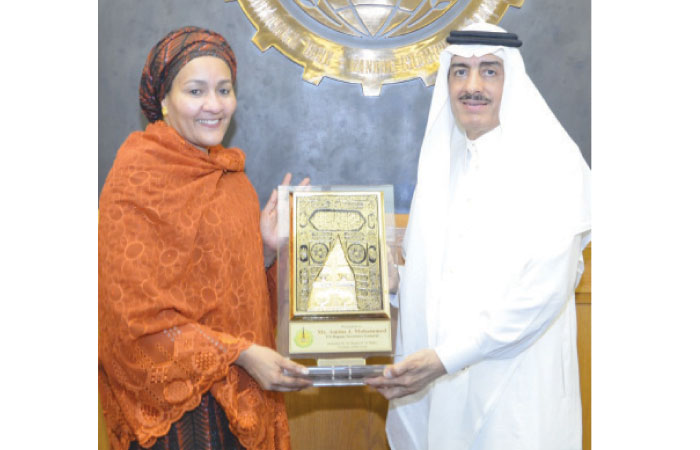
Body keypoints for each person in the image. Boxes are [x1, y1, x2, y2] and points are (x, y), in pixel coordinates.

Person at [365, 22, 591, 449]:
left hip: (516, 393)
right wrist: (396, 288)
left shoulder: (552, 165)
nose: (472, 86)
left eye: (489, 71)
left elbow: (541, 293)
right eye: (459, 71)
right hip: (444, 386)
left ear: (512, 80)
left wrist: (445, 359)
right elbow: (446, 276)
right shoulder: (441, 166)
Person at [98, 26, 312, 450]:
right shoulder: (136, 179)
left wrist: (265, 250)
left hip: (240, 399)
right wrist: (241, 353)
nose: (214, 105)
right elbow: (132, 320)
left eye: (224, 89)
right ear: (163, 100)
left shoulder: (232, 179)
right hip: (177, 414)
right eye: (195, 91)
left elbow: (232, 291)